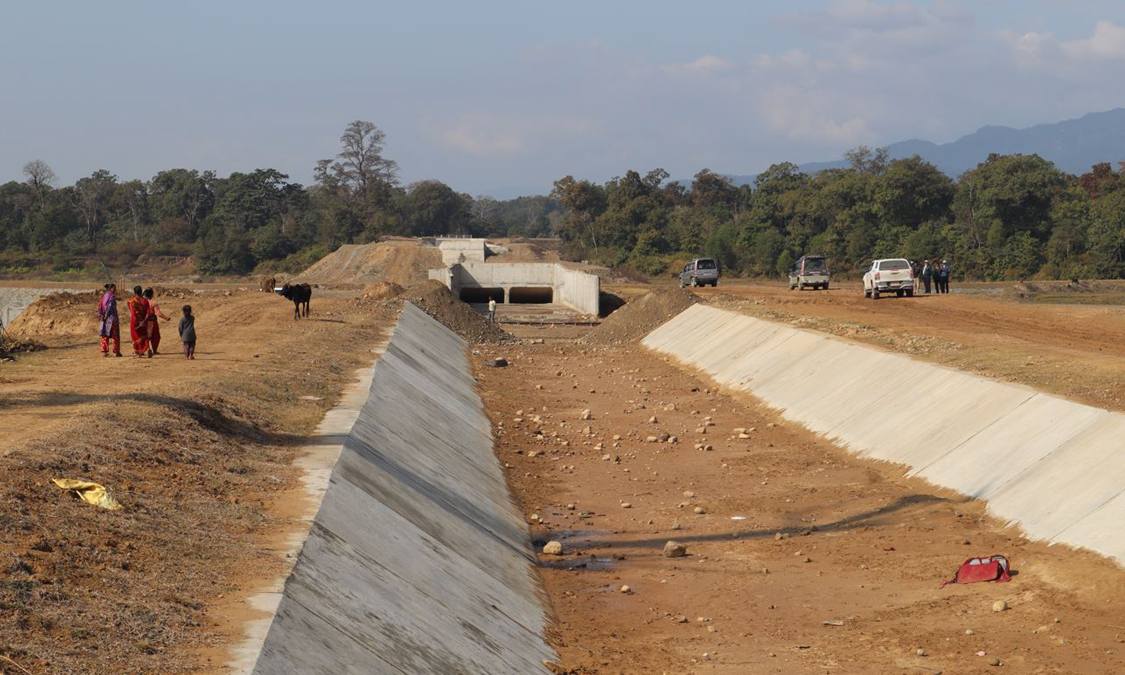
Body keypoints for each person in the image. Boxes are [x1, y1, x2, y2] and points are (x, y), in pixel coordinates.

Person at [97, 283, 122, 357]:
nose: (115, 290)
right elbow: (110, 307)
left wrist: (102, 316)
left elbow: (100, 307)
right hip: (112, 318)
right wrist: (107, 315)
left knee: (105, 334)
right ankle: (116, 351)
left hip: (104, 318)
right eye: (114, 288)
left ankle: (104, 351)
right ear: (110, 289)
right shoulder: (112, 297)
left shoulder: (103, 296)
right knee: (115, 335)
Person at [143, 288, 171, 354]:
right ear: (151, 295)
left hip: (143, 322)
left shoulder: (142, 302)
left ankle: (144, 349)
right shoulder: (153, 303)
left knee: (145, 336)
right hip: (152, 322)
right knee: (156, 336)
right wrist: (166, 318)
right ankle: (154, 350)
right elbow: (158, 313)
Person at [128, 285, 153, 357]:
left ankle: (138, 352)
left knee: (135, 336)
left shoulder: (132, 302)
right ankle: (147, 349)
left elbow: (133, 313)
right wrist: (144, 321)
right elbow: (148, 313)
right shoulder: (145, 301)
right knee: (144, 335)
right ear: (141, 291)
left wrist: (138, 322)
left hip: (135, 322)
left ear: (134, 292)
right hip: (143, 321)